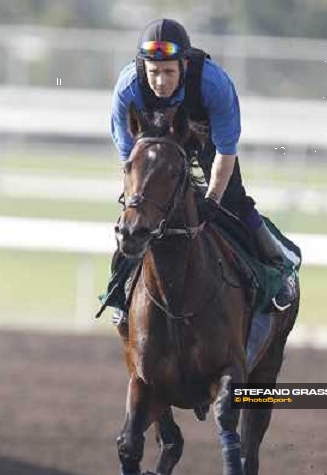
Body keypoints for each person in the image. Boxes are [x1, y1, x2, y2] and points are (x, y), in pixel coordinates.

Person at [109, 18, 299, 323]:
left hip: (206, 137)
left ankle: (280, 265)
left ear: (184, 65)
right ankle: (119, 290)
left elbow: (226, 151)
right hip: (156, 142)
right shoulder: (128, 87)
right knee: (137, 212)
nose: (160, 81)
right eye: (154, 72)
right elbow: (128, 159)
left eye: (169, 72)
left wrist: (211, 200)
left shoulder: (212, 83)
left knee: (232, 201)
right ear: (143, 67)